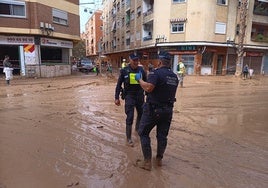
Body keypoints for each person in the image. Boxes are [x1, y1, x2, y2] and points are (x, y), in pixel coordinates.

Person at [134, 51, 179, 171]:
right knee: (162, 136)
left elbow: (148, 88)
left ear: (159, 62)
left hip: (153, 110)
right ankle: (159, 160)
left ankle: (147, 162)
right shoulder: (175, 77)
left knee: (143, 133)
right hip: (168, 110)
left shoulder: (155, 73)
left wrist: (140, 80)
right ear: (170, 62)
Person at [114, 53, 147, 147]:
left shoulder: (141, 70)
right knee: (130, 116)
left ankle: (137, 130)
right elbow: (118, 85)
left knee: (141, 113)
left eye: (137, 60)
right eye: (134, 60)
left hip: (140, 96)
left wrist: (148, 95)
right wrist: (116, 98)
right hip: (129, 96)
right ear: (130, 60)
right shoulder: (124, 71)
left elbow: (146, 82)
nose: (136, 62)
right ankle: (128, 138)